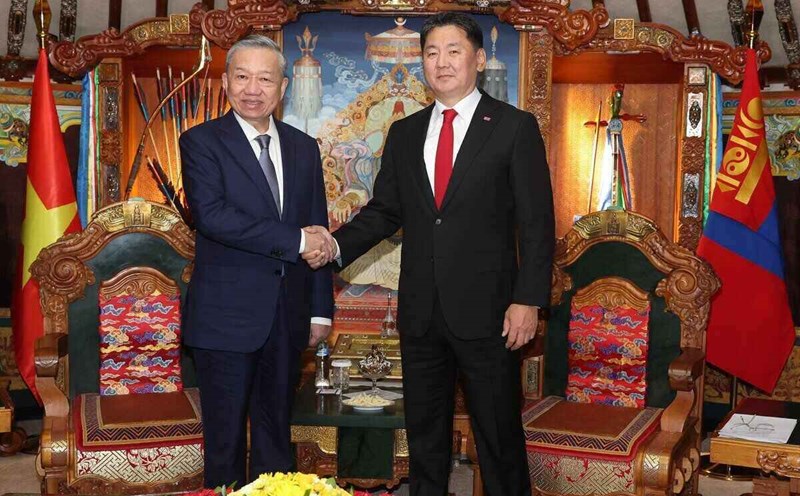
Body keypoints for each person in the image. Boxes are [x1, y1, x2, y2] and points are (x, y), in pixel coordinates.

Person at [305, 12, 554, 496]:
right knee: (424, 439)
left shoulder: (513, 127)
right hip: (421, 313)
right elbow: (383, 212)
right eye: (432, 53)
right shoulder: (406, 132)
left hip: (492, 313)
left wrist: (529, 300)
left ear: (478, 60)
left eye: (453, 51)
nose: (441, 62)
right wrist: (334, 244)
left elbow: (538, 224)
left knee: (499, 438)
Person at [180, 35, 334, 488]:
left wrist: (320, 308)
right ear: (226, 82)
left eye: (265, 78)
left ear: (282, 87)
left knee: (275, 437)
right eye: (242, 76)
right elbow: (215, 218)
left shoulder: (305, 148)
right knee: (225, 441)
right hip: (225, 320)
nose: (253, 88)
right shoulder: (202, 142)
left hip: (287, 315)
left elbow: (318, 229)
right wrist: (296, 239)